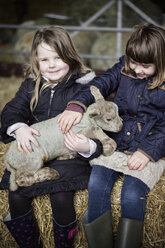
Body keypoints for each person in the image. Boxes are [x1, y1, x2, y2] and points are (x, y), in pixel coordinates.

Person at [58, 23, 165, 248]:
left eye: (145, 66)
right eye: (133, 62)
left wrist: (147, 152)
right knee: (96, 184)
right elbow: (100, 83)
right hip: (116, 142)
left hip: (150, 145)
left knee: (132, 194)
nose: (137, 69)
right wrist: (77, 105)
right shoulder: (123, 68)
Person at [0, 26, 103, 248]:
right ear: (36, 61)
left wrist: (88, 146)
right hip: (39, 150)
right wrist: (20, 129)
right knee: (16, 193)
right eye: (45, 59)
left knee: (61, 196)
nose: (52, 64)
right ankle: (30, 244)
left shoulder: (83, 87)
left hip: (70, 155)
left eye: (58, 57)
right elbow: (12, 110)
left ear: (70, 55)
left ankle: (63, 243)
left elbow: (99, 125)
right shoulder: (31, 85)